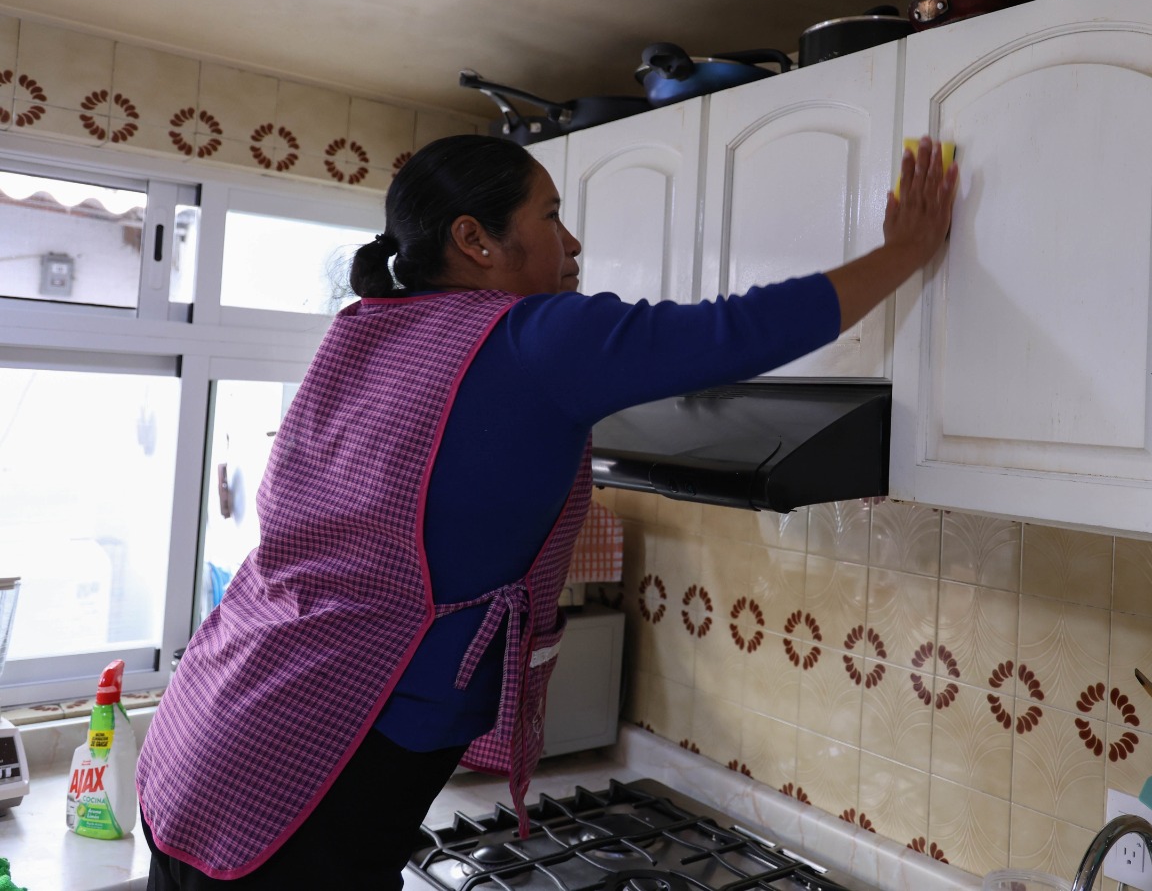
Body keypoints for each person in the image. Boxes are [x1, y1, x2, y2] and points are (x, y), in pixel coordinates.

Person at [135, 132, 958, 888]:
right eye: (553, 215)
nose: (572, 243)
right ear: (474, 240)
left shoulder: (363, 332)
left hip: (210, 728)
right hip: (307, 776)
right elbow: (732, 332)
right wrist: (906, 251)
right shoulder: (533, 338)